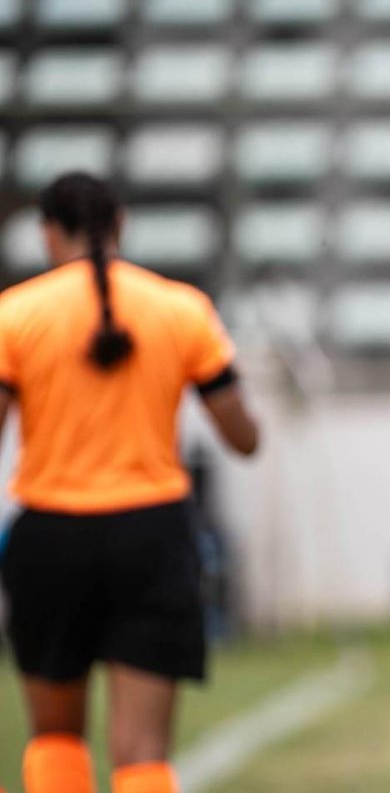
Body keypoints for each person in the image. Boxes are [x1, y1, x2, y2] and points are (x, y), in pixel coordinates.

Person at [0, 173, 260, 793]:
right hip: (153, 535)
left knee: (57, 739)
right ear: (120, 225)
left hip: (51, 535)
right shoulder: (181, 309)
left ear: (47, 233)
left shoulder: (15, 315)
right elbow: (244, 438)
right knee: (142, 751)